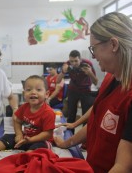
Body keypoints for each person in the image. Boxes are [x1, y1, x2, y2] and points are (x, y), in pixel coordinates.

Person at [54, 12, 132, 172]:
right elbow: (96, 121)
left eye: (93, 48)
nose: (93, 55)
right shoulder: (111, 78)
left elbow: (124, 166)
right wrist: (65, 143)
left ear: (113, 45)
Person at [0, 75, 55, 152]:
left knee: (38, 147)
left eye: (38, 89)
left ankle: (26, 159)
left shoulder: (48, 112)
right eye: (28, 90)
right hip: (25, 138)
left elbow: (48, 134)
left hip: (41, 141)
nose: (33, 92)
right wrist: (19, 134)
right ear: (24, 94)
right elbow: (17, 120)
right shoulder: (24, 107)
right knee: (7, 137)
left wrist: (30, 140)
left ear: (46, 94)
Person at [56, 50, 98, 133]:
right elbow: (57, 80)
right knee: (71, 115)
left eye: (76, 61)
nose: (74, 63)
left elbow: (96, 82)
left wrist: (90, 73)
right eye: (72, 61)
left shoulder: (87, 64)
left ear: (80, 59)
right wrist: (63, 72)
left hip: (85, 90)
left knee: (86, 116)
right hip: (73, 90)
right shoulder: (67, 64)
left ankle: (84, 139)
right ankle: (70, 136)